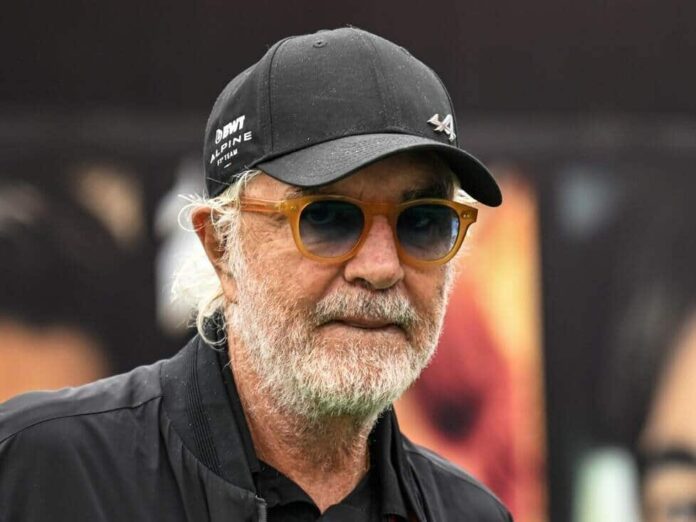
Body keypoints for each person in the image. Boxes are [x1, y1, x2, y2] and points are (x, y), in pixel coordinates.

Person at [0, 27, 511, 521]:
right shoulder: (38, 471)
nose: (380, 267)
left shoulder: (470, 513)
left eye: (422, 222)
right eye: (327, 218)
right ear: (221, 247)